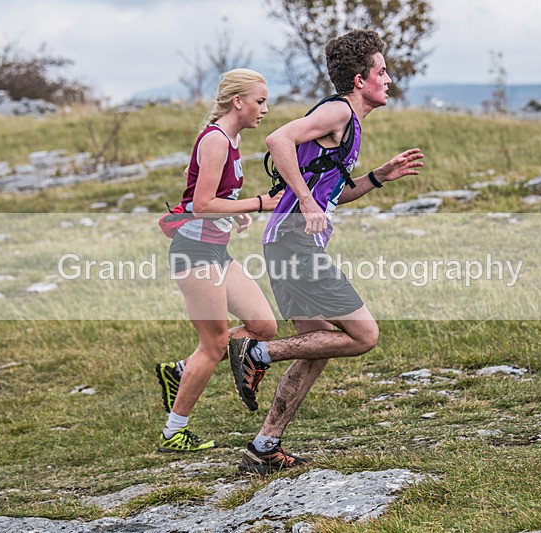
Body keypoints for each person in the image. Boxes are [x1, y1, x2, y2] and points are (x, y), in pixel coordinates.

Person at [227, 29, 425, 473]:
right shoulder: (337, 110)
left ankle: (263, 448)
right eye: (382, 71)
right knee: (363, 335)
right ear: (360, 80)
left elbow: (335, 191)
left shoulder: (348, 125)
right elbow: (277, 140)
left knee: (314, 350)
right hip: (295, 240)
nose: (389, 79)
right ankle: (258, 353)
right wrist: (309, 201)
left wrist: (378, 176)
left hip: (286, 241)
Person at [155, 68, 282, 452]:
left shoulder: (231, 138)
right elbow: (201, 203)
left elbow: (210, 195)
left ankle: (181, 370)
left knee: (263, 325)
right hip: (194, 253)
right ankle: (174, 431)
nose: (264, 109)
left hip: (215, 250)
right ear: (237, 101)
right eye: (260, 101)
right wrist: (258, 204)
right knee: (212, 346)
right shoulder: (215, 140)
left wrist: (235, 211)